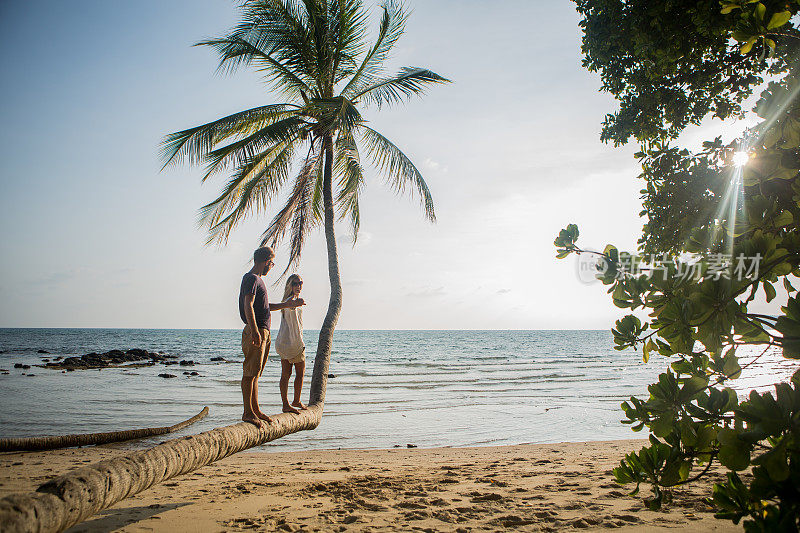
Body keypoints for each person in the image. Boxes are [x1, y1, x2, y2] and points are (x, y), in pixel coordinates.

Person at [239, 246, 304, 428]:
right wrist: (254, 330)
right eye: (272, 263)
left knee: (256, 374)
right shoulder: (251, 278)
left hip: (262, 330)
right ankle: (248, 412)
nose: (271, 266)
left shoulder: (258, 280)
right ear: (266, 260)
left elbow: (266, 307)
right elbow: (248, 305)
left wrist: (286, 304)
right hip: (257, 329)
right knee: (250, 373)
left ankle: (256, 410)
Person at [276, 274, 308, 414]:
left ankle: (285, 404)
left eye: (300, 283)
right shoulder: (291, 301)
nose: (298, 286)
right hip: (294, 344)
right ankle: (296, 400)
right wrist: (298, 302)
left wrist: (297, 302)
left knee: (286, 374)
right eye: (295, 283)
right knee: (299, 374)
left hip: (283, 343)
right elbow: (294, 306)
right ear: (290, 285)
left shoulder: (286, 301)